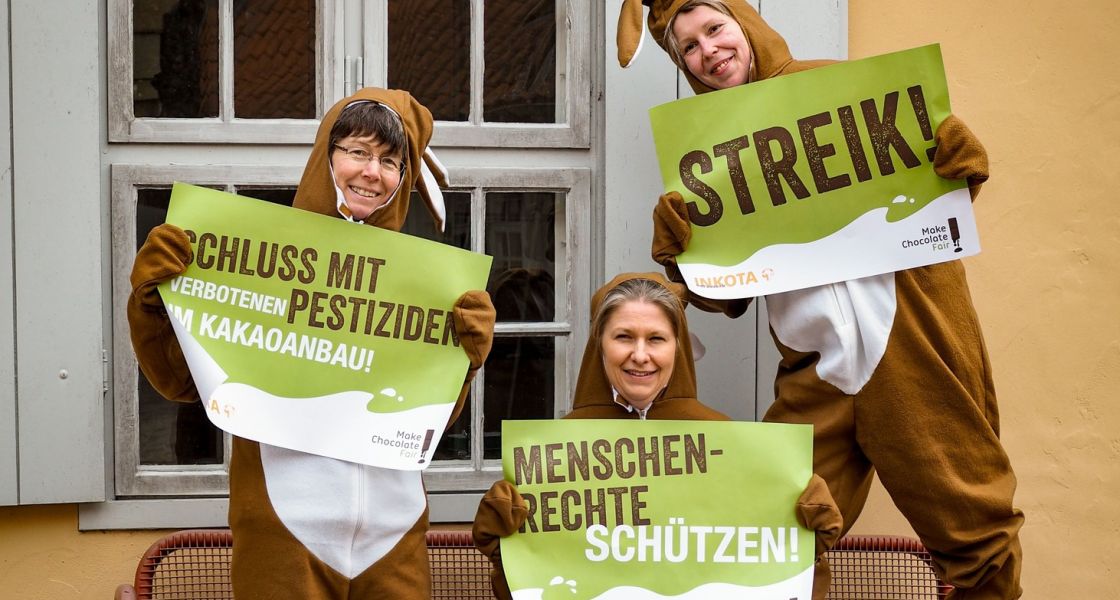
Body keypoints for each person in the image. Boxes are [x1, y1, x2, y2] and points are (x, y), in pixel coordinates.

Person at [615, 1, 1025, 598]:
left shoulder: (838, 90)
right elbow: (728, 295)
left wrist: (954, 165)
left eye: (715, 29)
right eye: (689, 47)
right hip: (815, 372)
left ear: (744, 24)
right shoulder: (704, 154)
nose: (709, 51)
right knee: (769, 537)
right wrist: (683, 256)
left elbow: (929, 207)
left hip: (910, 352)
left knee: (977, 537)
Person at [127, 87, 496, 599]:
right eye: (358, 152)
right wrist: (153, 303)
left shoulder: (428, 288)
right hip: (285, 525)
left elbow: (427, 421)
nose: (373, 171)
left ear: (404, 179)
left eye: (390, 161)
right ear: (328, 155)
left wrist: (467, 363)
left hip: (395, 529)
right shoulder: (257, 260)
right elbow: (182, 382)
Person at [473, 272, 843, 600]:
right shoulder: (553, 460)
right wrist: (505, 550)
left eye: (656, 339)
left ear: (677, 346)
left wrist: (804, 543)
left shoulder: (733, 450)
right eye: (623, 337)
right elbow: (536, 583)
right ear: (599, 344)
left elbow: (770, 576)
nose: (640, 355)